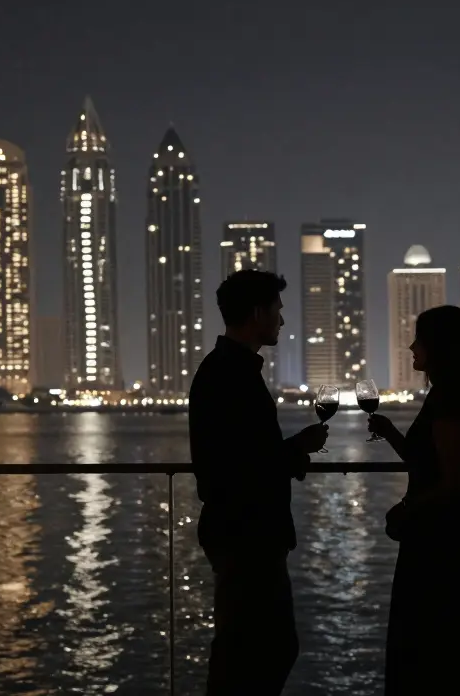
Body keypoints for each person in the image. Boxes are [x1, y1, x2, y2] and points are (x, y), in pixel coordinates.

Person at [188, 269, 329, 696]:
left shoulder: (226, 370)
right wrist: (294, 450)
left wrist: (289, 452)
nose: (282, 321)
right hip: (246, 535)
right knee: (259, 650)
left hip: (242, 533)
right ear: (255, 313)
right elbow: (241, 466)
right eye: (277, 311)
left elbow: (244, 455)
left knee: (250, 648)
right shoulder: (231, 376)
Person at [367, 304, 460, 695]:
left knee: (429, 646)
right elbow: (428, 462)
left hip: (440, 539)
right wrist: (391, 432)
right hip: (448, 532)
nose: (411, 346)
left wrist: (406, 508)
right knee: (455, 649)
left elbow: (454, 482)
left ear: (437, 346)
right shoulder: (454, 396)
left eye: (419, 339)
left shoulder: (447, 401)